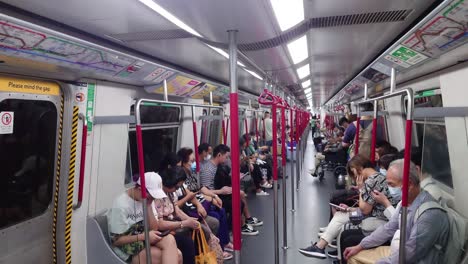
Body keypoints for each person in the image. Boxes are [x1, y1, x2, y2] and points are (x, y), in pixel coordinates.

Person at [344, 159, 450, 263]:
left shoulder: (428, 216)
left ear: (409, 185)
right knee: (353, 255)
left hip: (411, 259)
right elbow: (389, 228)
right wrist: (360, 246)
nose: (389, 189)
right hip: (399, 252)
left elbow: (408, 254)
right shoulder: (406, 203)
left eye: (391, 185)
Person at [299, 154, 399, 259]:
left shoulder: (370, 181)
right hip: (378, 214)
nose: (354, 176)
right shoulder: (378, 177)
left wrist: (361, 189)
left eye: (353, 171)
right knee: (340, 214)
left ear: (358, 168)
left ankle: (321, 246)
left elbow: (365, 210)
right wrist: (349, 208)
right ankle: (323, 245)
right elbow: (370, 206)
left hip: (379, 218)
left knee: (340, 217)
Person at [176, 147, 233, 259]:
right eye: (191, 162)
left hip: (198, 202)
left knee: (220, 210)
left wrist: (214, 196)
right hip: (190, 208)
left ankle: (222, 244)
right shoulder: (180, 178)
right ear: (183, 163)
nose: (193, 164)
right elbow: (192, 195)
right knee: (215, 218)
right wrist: (210, 198)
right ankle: (216, 247)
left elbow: (200, 188)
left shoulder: (190, 175)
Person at [107, 177, 181, 264]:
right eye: (151, 197)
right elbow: (116, 241)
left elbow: (154, 228)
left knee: (170, 240)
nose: (152, 200)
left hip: (142, 242)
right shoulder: (121, 205)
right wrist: (143, 236)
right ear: (139, 189)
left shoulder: (146, 200)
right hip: (128, 251)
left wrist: (148, 205)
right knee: (177, 256)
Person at [200, 144, 263, 234]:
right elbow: (205, 190)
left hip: (219, 193)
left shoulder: (218, 166)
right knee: (238, 202)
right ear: (219, 155)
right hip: (213, 196)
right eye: (226, 157)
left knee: (240, 193)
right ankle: (236, 227)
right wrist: (222, 191)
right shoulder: (208, 170)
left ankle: (245, 220)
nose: (226, 160)